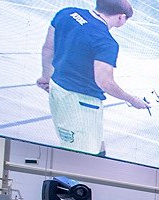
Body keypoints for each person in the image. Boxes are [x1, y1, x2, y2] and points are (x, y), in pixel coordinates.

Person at [37, 0, 150, 156]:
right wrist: (131, 99)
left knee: (94, 145)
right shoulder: (106, 42)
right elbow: (104, 82)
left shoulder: (67, 13)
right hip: (82, 103)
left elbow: (48, 48)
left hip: (58, 89)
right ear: (121, 17)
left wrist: (46, 77)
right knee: (82, 155)